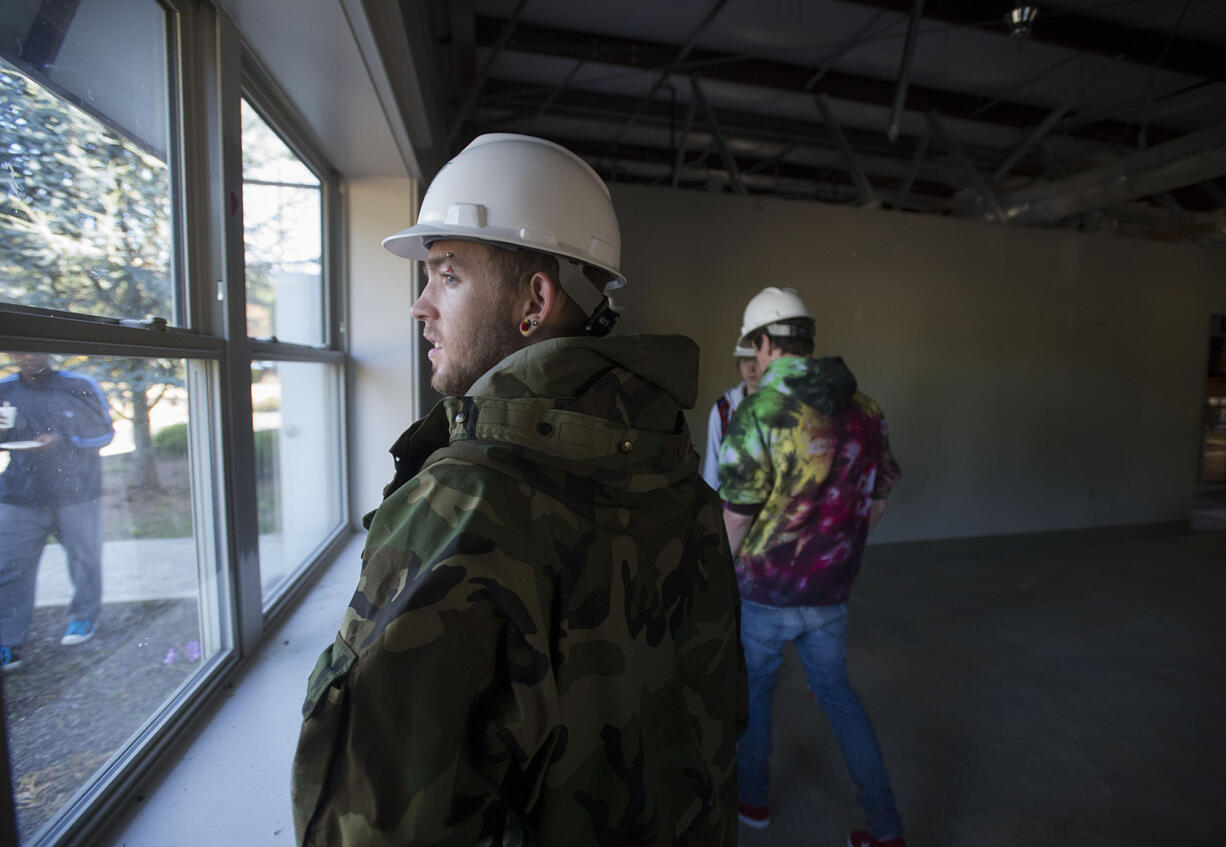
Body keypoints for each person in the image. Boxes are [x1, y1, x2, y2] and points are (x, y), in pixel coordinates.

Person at [291, 133, 746, 846]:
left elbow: (372, 824)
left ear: (534, 300)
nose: (419, 305)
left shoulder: (465, 504)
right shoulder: (666, 460)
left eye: (446, 275)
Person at [718, 287, 905, 847]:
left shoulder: (760, 412)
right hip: (831, 594)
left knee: (753, 695)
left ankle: (752, 803)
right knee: (840, 697)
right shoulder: (866, 408)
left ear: (766, 343)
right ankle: (887, 830)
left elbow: (736, 516)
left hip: (765, 594)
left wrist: (717, 575)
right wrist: (838, 551)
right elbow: (879, 497)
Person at [0, 352, 114, 671]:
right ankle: (7, 641)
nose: (28, 357)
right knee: (9, 565)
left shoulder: (79, 385)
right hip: (19, 492)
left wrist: (62, 439)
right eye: (20, 351)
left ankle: (83, 618)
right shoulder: (5, 390)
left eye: (34, 349)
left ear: (47, 351)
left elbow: (104, 432)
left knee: (84, 559)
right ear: (11, 354)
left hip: (76, 491)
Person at [700, 343, 760, 491]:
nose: (751, 368)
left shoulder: (786, 406)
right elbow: (712, 469)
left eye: (757, 360)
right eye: (745, 360)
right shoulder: (723, 410)